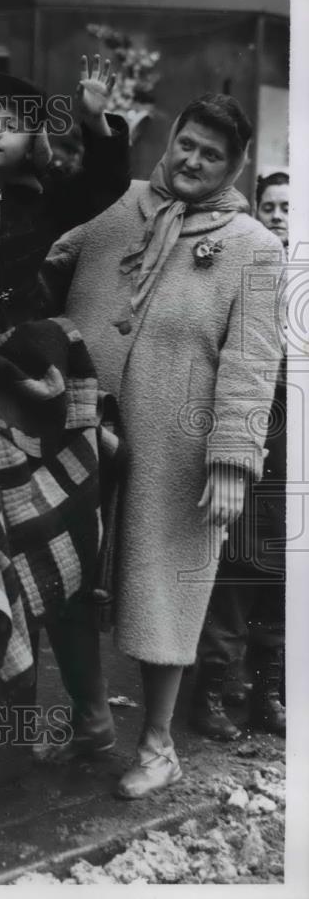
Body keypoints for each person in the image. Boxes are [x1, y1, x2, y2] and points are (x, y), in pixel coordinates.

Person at [41, 93, 285, 798]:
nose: (192, 161)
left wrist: (234, 457)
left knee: (164, 583)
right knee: (64, 566)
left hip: (179, 435)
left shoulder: (254, 247)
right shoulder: (122, 206)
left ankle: (156, 745)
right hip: (84, 419)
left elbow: (253, 359)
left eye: (211, 155)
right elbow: (54, 257)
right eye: (186, 144)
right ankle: (90, 717)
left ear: (233, 166)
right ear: (171, 139)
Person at [189, 170, 288, 741]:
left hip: (295, 454)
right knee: (236, 574)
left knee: (280, 578)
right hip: (253, 440)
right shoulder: (247, 267)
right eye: (268, 205)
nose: (277, 215)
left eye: (288, 207)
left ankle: (267, 693)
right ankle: (210, 695)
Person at [0, 57, 130, 333]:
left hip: (26, 330)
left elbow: (106, 183)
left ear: (32, 144)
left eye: (11, 127)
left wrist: (94, 120)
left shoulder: (46, 196)